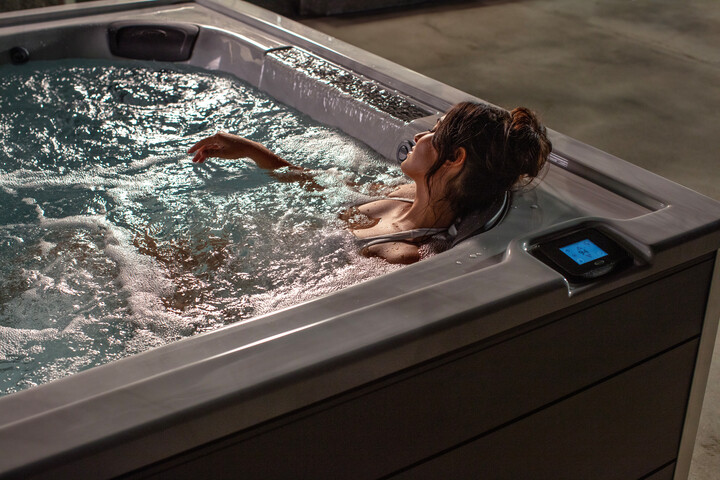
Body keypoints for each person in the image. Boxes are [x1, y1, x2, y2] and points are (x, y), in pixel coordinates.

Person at [188, 101, 551, 264]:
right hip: (247, 250)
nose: (422, 134)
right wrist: (251, 149)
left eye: (436, 132)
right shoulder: (402, 195)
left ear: (455, 159)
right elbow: (319, 184)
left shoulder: (400, 252)